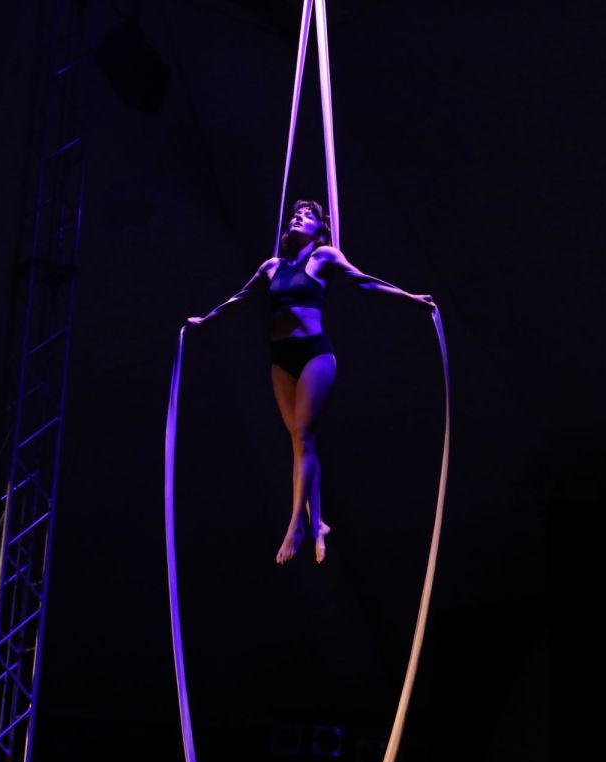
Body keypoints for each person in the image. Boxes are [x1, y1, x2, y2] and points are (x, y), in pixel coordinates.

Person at [185, 200, 435, 564]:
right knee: (300, 443)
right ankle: (317, 523)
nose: (298, 216)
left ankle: (297, 525)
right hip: (281, 361)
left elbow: (364, 281)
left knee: (303, 436)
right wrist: (205, 320)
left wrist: (410, 298)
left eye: (308, 215)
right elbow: (240, 300)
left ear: (319, 229)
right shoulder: (272, 267)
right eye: (296, 214)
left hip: (315, 355)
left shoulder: (324, 257)